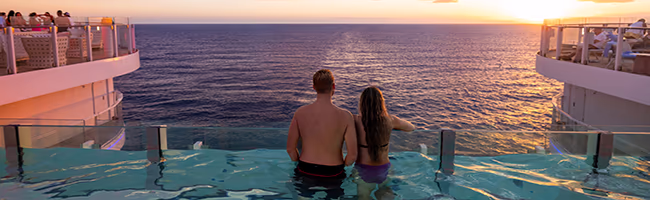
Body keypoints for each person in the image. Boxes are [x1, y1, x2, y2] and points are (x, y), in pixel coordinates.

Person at [287, 69, 357, 199]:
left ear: (314, 87)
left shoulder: (300, 113)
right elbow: (352, 156)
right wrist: (343, 166)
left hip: (305, 169)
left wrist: (298, 162)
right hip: (333, 172)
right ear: (334, 87)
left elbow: (290, 149)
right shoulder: (346, 116)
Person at [353, 86, 415, 200]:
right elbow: (411, 127)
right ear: (381, 103)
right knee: (385, 195)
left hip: (363, 170)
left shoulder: (355, 121)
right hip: (384, 169)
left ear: (362, 103)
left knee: (363, 197)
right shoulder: (389, 120)